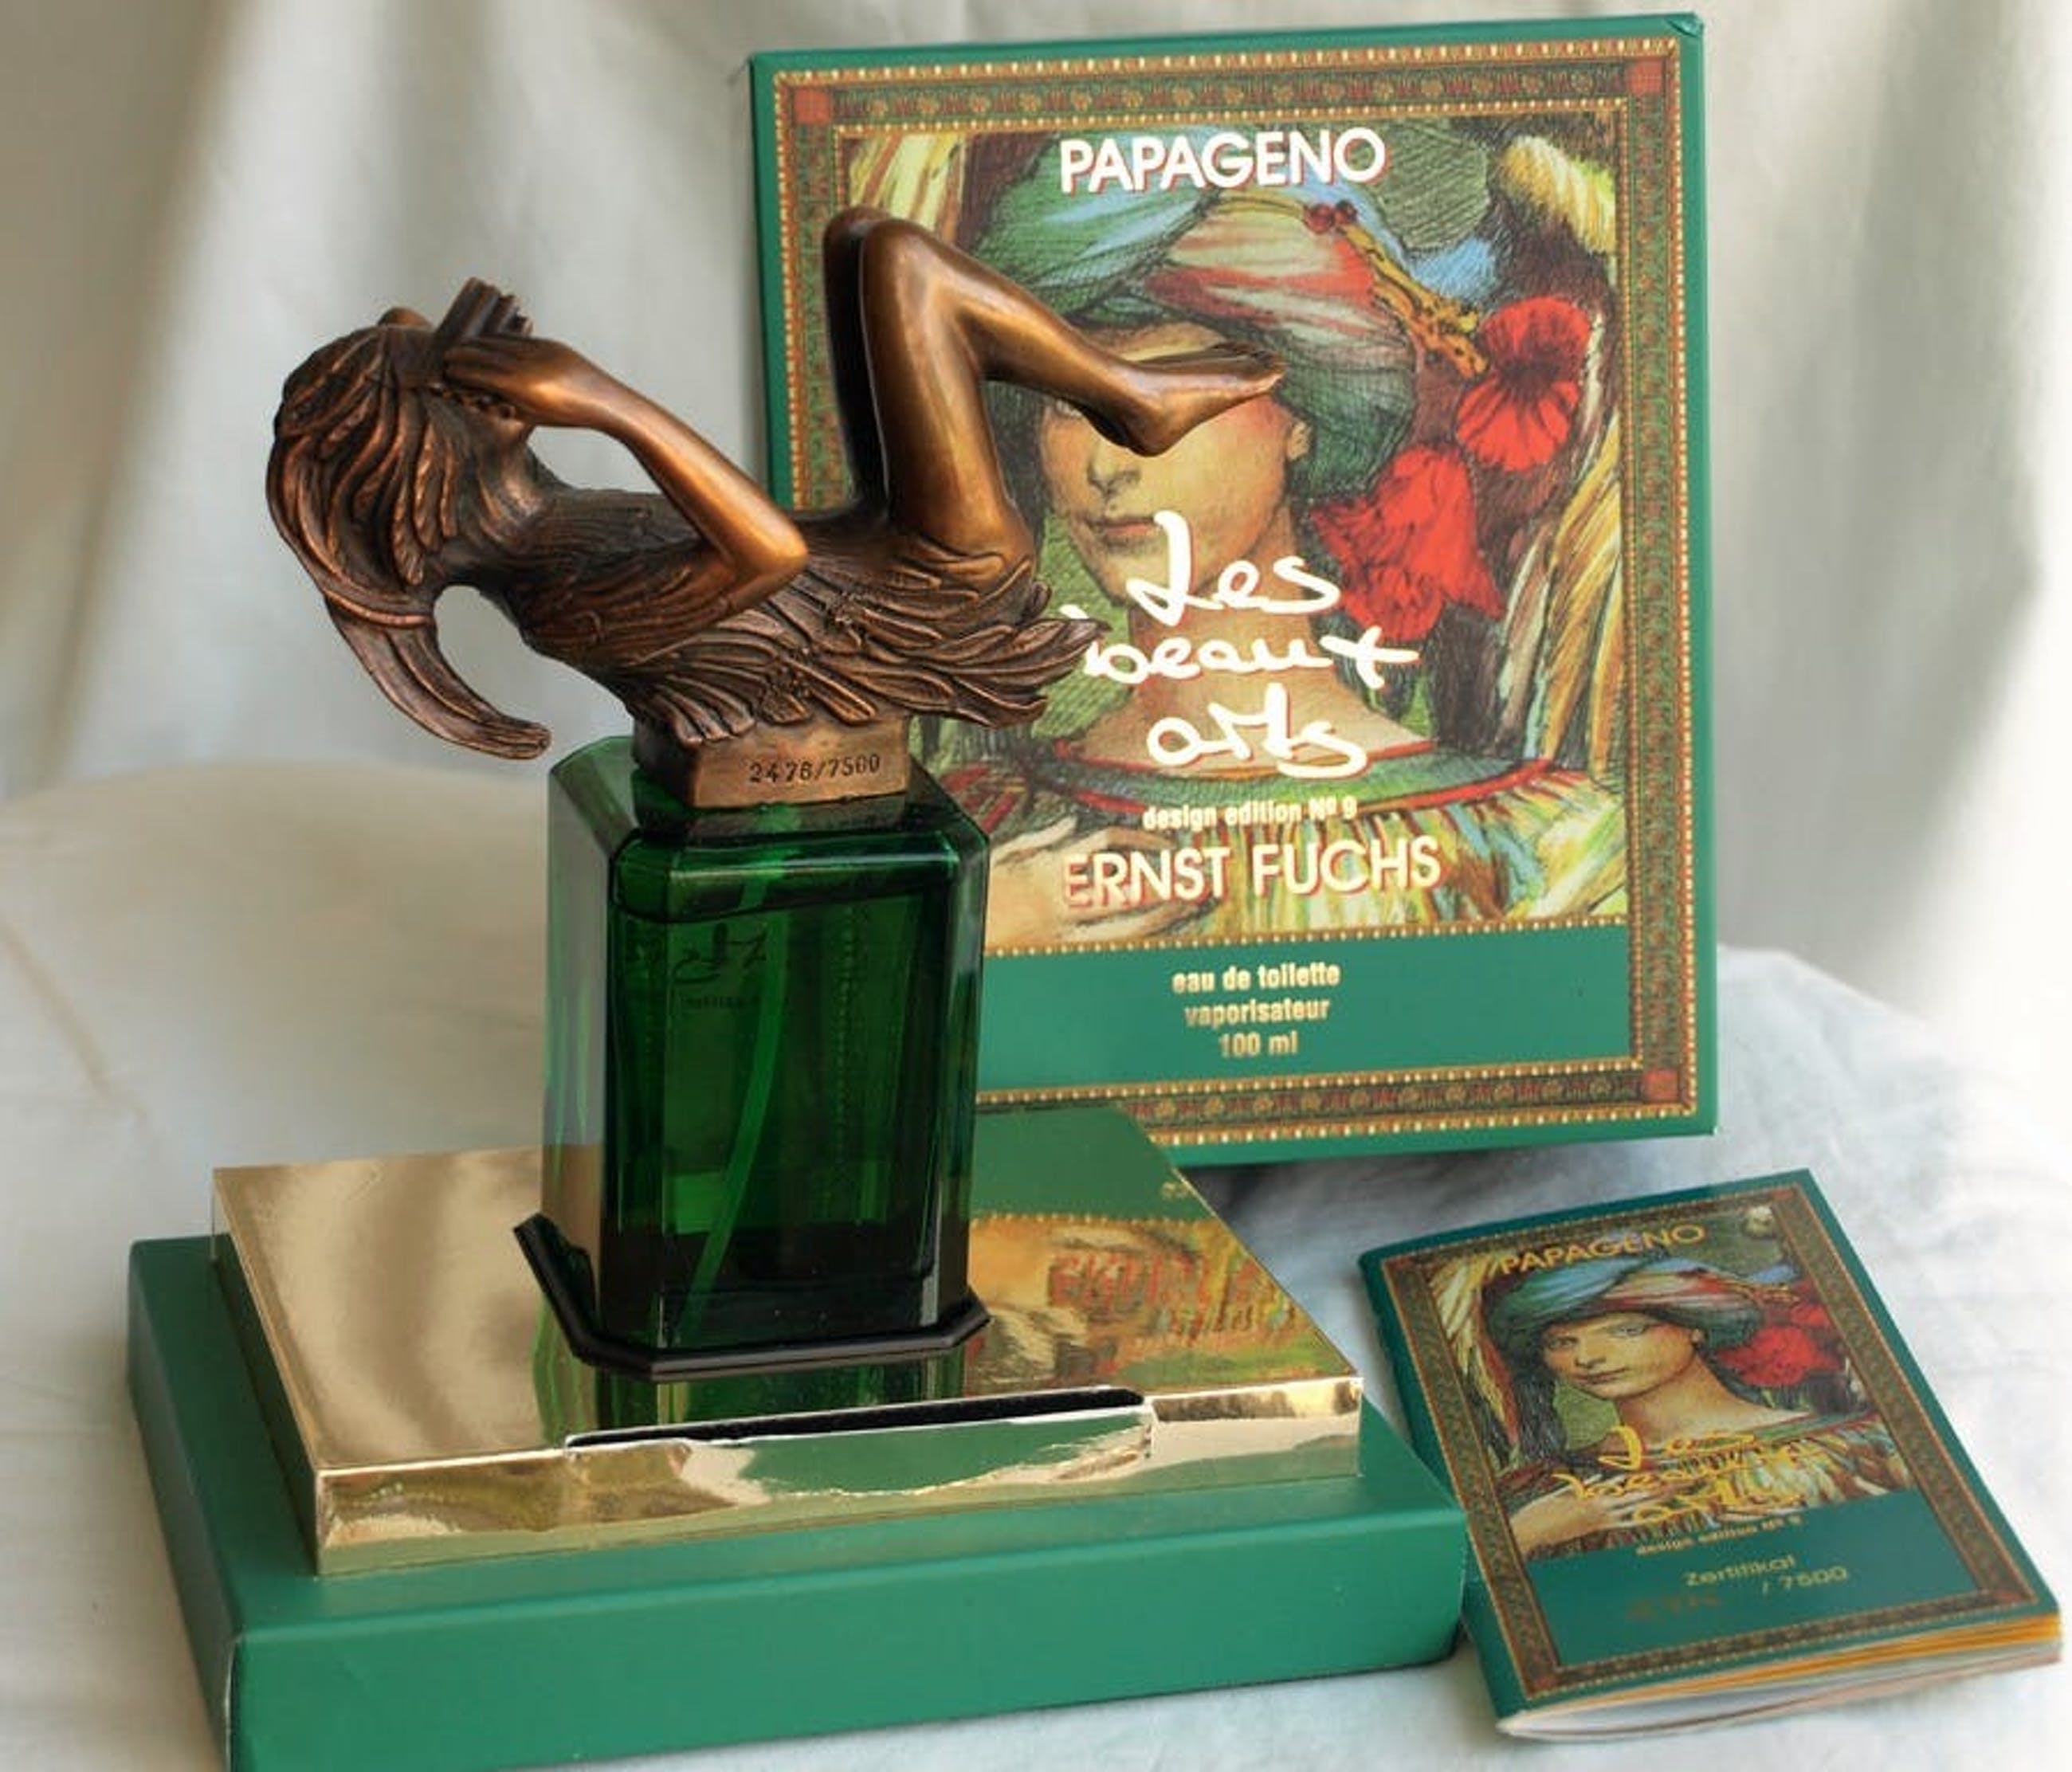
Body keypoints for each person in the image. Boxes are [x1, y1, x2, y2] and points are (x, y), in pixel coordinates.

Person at [887, 139, 1630, 943]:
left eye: (1174, 395)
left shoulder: (1545, 855)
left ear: (1300, 418)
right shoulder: (974, 832)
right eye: (1069, 405)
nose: (1106, 464)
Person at [265, 209, 1281, 768]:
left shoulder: (555, 527)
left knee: (857, 240)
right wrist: (604, 401)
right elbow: (769, 554)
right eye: (452, 374)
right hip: (934, 577)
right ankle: (1129, 398)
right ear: (422, 462)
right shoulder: (556, 606)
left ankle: (1128, 395)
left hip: (872, 552)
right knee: (902, 266)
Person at [1482, 1256, 1912, 1559]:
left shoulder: (1854, 1446)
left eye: (1627, 1331)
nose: (1587, 1358)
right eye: (1562, 1342)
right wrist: (1528, 1533)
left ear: (1696, 1329)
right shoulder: (1546, 1489)